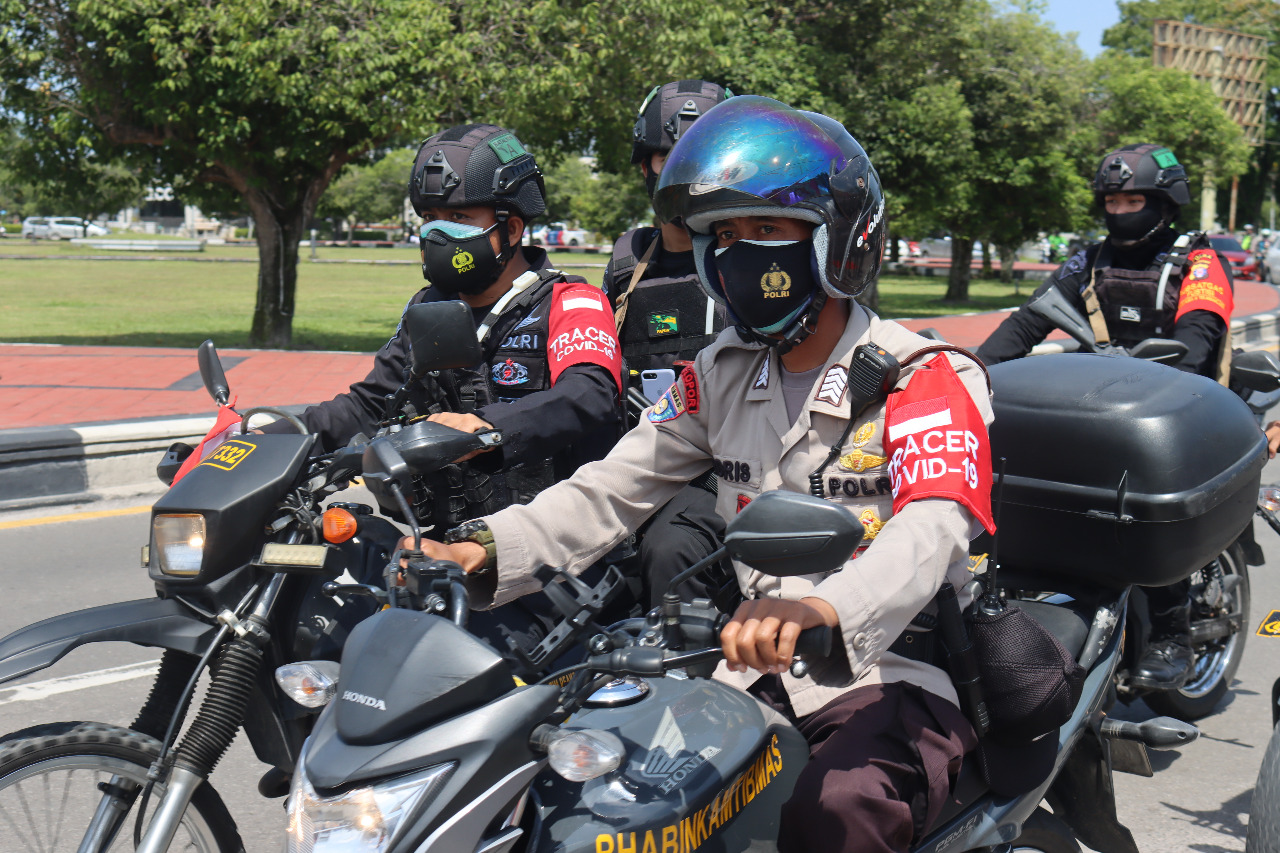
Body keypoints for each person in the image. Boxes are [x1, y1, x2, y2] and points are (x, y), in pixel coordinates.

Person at [414, 96, 997, 852]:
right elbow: (612, 487)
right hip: (742, 671)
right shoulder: (720, 373)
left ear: (839, 238)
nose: (738, 253)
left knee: (840, 810)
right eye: (722, 234)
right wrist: (480, 546)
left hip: (890, 673)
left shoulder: (922, 377)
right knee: (589, 794)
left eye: (765, 230)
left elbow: (934, 524)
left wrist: (823, 611)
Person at [264, 123, 625, 652]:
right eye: (431, 219)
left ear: (512, 227)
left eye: (460, 218)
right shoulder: (426, 309)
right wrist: (274, 435)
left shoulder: (571, 302)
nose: (440, 233)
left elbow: (589, 394)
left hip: (550, 559)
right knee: (322, 634)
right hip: (438, 547)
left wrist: (486, 430)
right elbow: (368, 403)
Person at [977, 142, 1234, 690]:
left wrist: (1162, 375)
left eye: (1133, 199)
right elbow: (1027, 322)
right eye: (1112, 202)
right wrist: (967, 371)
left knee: (1148, 514)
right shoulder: (1090, 259)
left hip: (1177, 411)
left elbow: (1198, 337)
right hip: (1098, 403)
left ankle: (1172, 632)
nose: (1120, 212)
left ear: (1166, 202)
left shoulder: (1198, 262)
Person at [603, 79, 733, 608]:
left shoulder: (753, 255)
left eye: (702, 157)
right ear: (644, 167)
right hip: (640, 452)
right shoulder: (628, 258)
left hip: (724, 465)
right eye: (669, 156)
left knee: (670, 547)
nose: (683, 170)